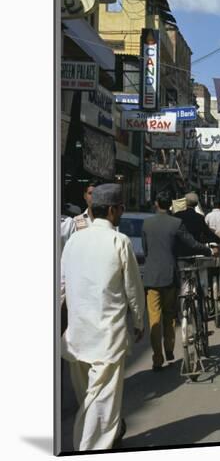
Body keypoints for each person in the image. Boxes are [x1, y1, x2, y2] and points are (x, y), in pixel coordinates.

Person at [61, 184, 146, 451]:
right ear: (111, 210)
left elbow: (61, 286)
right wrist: (140, 321)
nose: (121, 212)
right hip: (106, 339)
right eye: (120, 208)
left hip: (76, 337)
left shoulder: (74, 240)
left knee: (90, 399)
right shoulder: (119, 241)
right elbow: (133, 288)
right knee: (100, 404)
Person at [142, 191, 217, 371]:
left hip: (152, 277)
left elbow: (145, 250)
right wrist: (208, 251)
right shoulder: (176, 223)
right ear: (170, 206)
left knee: (154, 319)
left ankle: (157, 358)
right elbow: (191, 243)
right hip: (170, 275)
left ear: (156, 204)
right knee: (169, 316)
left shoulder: (147, 223)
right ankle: (169, 350)